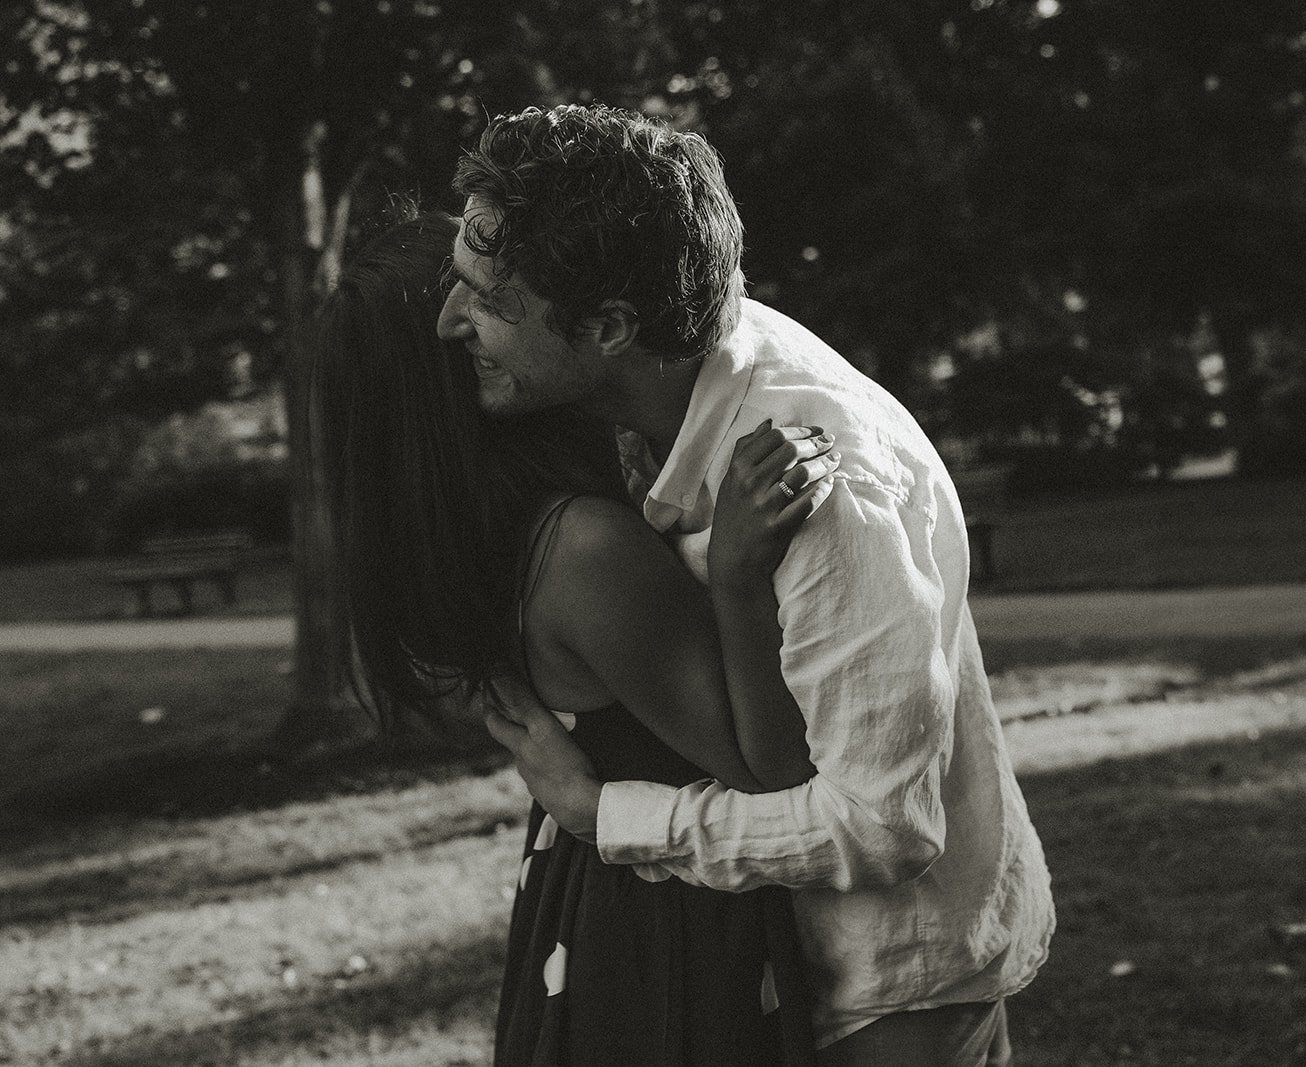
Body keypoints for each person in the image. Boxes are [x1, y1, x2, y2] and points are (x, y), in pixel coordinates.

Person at [439, 105, 1055, 1065]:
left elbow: (885, 829)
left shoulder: (819, 481)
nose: (450, 321)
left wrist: (603, 814)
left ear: (607, 327)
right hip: (782, 969)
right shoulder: (664, 389)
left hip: (889, 994)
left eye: (484, 300)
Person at [313, 210, 845, 1065]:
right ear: (463, 362)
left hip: (594, 898)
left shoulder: (493, 540)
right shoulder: (580, 548)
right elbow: (765, 766)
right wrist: (740, 579)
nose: (484, 309)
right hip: (675, 921)